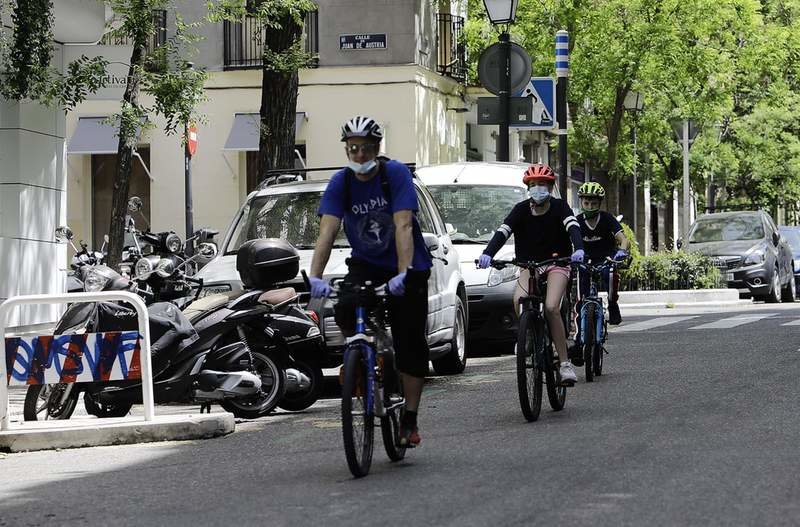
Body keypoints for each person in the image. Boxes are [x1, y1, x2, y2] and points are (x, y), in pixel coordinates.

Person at [307, 115, 433, 448]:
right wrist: (316, 277)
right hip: (367, 263)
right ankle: (365, 358)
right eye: (353, 149)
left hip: (409, 266)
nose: (359, 155)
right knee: (345, 309)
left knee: (410, 343)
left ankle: (409, 418)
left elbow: (403, 226)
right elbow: (327, 231)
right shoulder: (342, 183)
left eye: (365, 149)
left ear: (377, 149)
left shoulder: (395, 175)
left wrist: (403, 273)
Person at [477, 163, 584, 385]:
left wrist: (579, 248)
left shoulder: (560, 207)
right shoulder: (521, 209)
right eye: (533, 185)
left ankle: (564, 364)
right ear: (528, 188)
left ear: (550, 186)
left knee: (552, 306)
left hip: (557, 264)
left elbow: (573, 228)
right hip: (529, 265)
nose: (537, 188)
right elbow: (503, 232)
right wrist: (487, 253)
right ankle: (531, 337)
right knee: (518, 298)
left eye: (542, 184)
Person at [575, 181, 629, 325]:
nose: (590, 207)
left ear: (599, 203)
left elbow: (623, 239)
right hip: (585, 259)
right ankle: (580, 314)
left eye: (593, 203)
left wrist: (622, 251)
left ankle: (612, 304)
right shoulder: (577, 221)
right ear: (581, 202)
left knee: (609, 274)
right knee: (581, 277)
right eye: (586, 203)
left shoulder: (607, 218)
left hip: (607, 258)